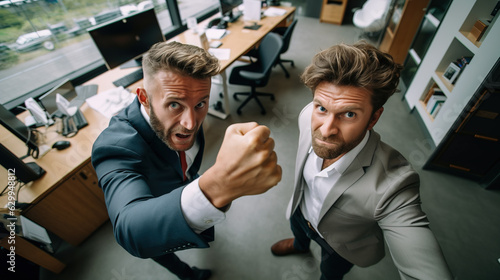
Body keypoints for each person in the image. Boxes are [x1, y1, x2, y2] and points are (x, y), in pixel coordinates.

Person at [91, 41, 282, 280]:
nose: (191, 124)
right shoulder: (114, 146)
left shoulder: (187, 115)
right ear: (144, 98)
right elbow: (132, 231)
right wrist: (215, 187)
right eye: (174, 105)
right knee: (160, 249)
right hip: (154, 209)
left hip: (180, 188)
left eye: (201, 103)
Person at [270, 42, 453, 280]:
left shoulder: (394, 184)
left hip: (339, 246)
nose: (326, 131)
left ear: (374, 117)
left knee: (330, 274)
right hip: (300, 212)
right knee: (299, 232)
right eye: (322, 108)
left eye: (349, 114)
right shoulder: (308, 116)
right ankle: (300, 244)